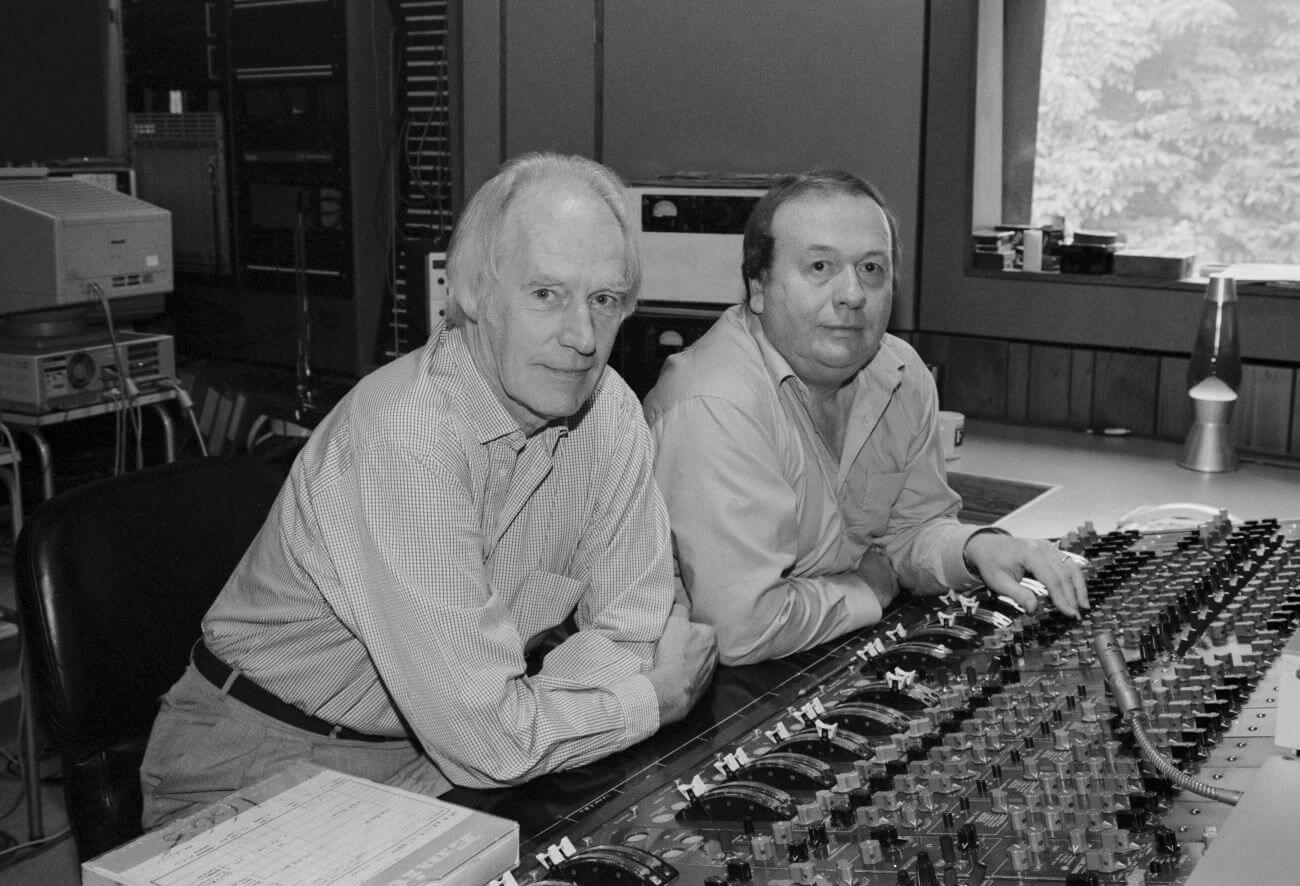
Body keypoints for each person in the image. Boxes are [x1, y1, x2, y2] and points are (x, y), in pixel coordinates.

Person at [140, 152, 717, 827]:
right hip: (266, 761)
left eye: (605, 301)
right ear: (468, 293)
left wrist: (526, 715)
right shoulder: (403, 438)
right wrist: (649, 701)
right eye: (546, 294)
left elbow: (636, 628)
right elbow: (494, 742)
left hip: (440, 757)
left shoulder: (610, 412)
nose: (583, 338)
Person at [643, 170, 1087, 666]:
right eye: (819, 266)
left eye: (872, 269)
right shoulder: (715, 405)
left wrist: (974, 549)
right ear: (758, 287)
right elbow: (741, 629)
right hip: (716, 693)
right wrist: (869, 589)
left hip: (828, 648)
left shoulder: (900, 373)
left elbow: (911, 531)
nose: (852, 293)